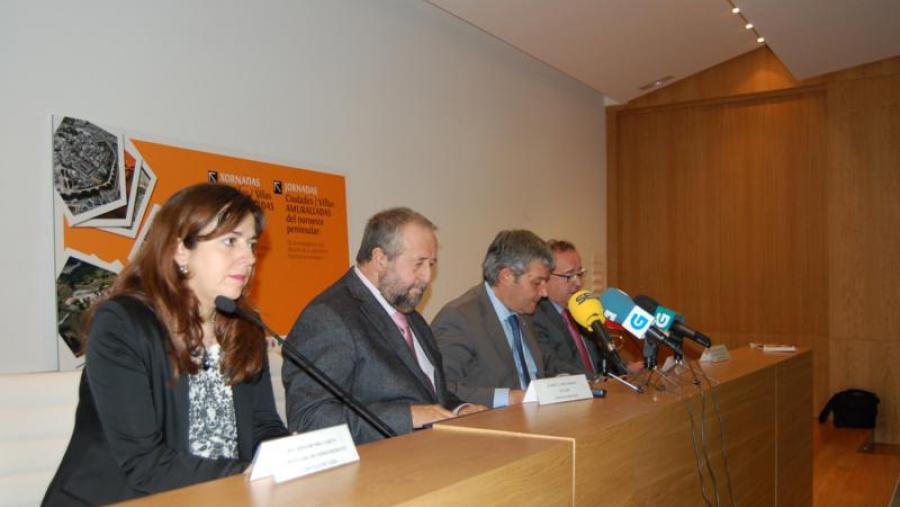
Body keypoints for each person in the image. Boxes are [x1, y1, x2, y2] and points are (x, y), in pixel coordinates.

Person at [43, 184, 288, 506]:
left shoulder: (244, 328)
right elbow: (143, 463)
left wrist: (294, 458)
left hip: (221, 496)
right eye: (231, 241)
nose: (249, 257)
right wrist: (248, 475)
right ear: (180, 250)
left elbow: (262, 426)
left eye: (251, 243)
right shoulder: (121, 325)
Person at [282, 207, 484, 445]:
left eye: (431, 264)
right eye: (419, 263)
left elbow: (430, 397)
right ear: (380, 260)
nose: (428, 277)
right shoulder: (328, 317)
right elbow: (309, 418)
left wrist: (460, 409)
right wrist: (406, 416)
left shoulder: (412, 317)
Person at [432, 230, 570, 408]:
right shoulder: (459, 318)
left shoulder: (525, 312)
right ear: (506, 276)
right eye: (537, 283)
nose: (544, 292)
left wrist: (570, 384)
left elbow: (542, 368)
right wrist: (509, 398)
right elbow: (443, 388)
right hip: (495, 425)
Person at [531, 240, 615, 376]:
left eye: (580, 274)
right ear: (545, 278)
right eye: (569, 276)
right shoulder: (534, 317)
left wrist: (625, 369)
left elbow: (603, 358)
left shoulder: (584, 309)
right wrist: (597, 380)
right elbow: (551, 366)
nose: (578, 283)